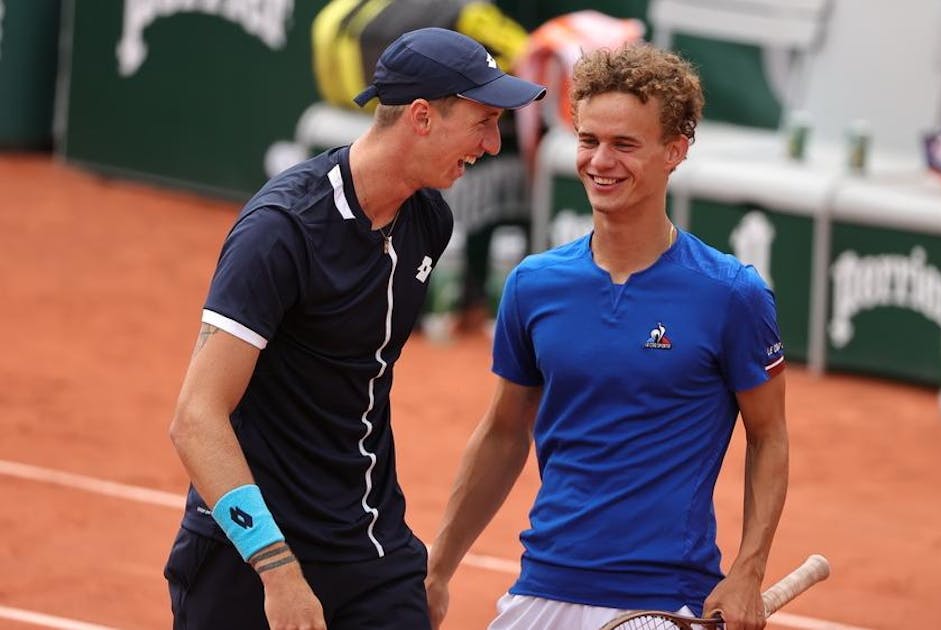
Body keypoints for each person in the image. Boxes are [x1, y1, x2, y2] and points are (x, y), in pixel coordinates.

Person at [163, 27, 545, 629]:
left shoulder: (428, 220)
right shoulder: (282, 230)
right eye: (483, 121)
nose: (493, 145)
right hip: (252, 550)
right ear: (422, 116)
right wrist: (279, 571)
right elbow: (196, 417)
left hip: (367, 542)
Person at [425, 43, 789, 630]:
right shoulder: (534, 285)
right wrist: (437, 569)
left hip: (663, 597)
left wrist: (748, 569)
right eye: (589, 140)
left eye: (625, 145)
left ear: (675, 150)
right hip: (541, 586)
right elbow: (501, 433)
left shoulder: (732, 294)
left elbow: (768, 437)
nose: (601, 161)